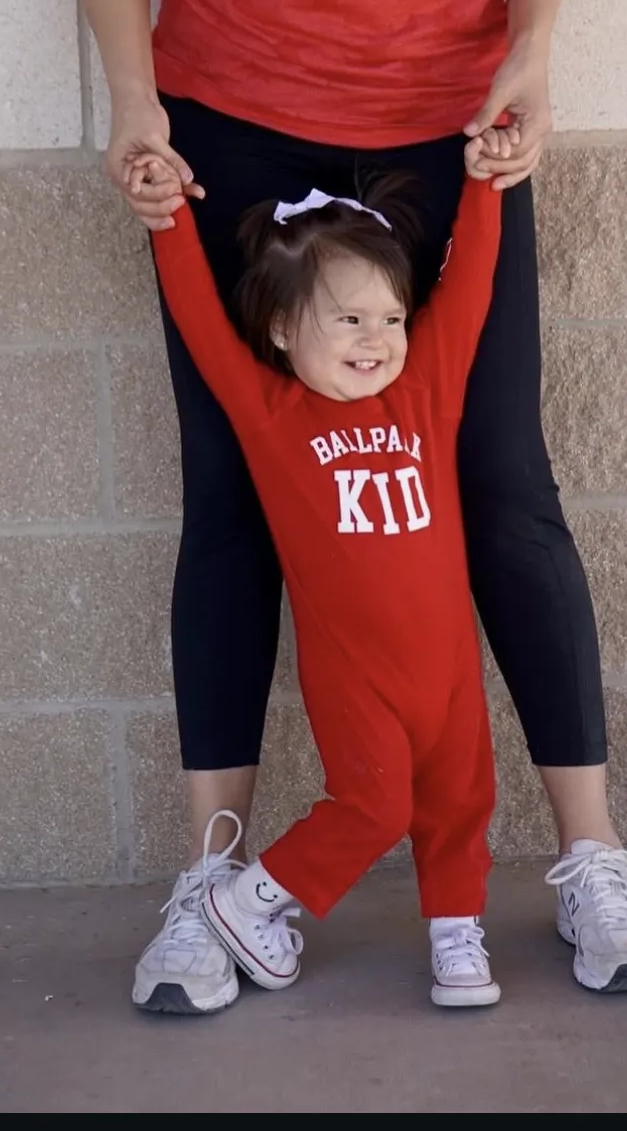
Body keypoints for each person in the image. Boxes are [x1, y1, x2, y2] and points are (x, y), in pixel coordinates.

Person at [73, 0, 627, 1018]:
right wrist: (131, 102)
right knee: (234, 496)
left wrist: (529, 58)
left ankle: (589, 856)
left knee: (500, 482)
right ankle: (211, 875)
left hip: (444, 137)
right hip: (230, 122)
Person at [138, 140, 510, 1010]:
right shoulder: (271, 416)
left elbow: (471, 287)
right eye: (347, 320)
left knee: (462, 797)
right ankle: (250, 898)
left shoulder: (428, 392)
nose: (376, 338)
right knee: (375, 805)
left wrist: (488, 183)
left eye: (388, 318)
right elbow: (196, 312)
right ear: (280, 329)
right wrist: (164, 220)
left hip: (447, 661)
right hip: (355, 670)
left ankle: (455, 937)